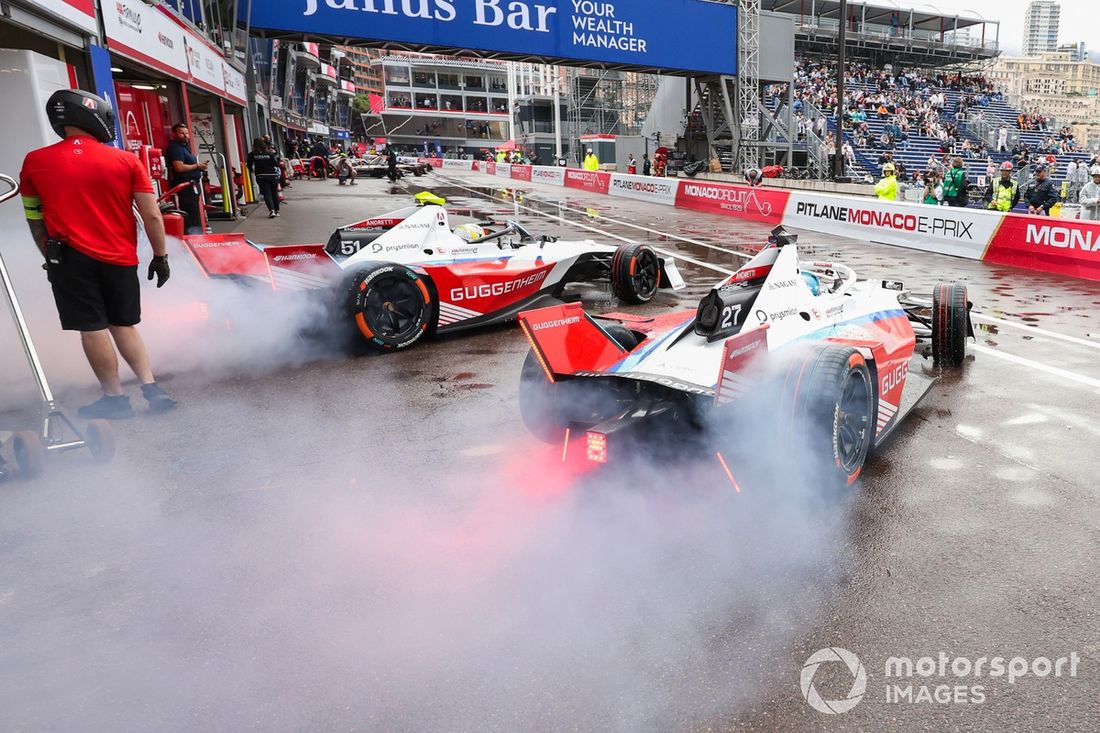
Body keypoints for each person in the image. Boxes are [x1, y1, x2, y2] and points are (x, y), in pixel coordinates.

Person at [19, 90, 176, 419]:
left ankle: (115, 399)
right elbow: (151, 215)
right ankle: (151, 388)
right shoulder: (126, 161)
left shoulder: (35, 161)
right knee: (124, 324)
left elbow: (34, 217)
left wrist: (48, 255)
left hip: (69, 258)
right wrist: (160, 256)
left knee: (92, 328)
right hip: (120, 257)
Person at [164, 123, 207, 234]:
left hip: (191, 185)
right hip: (185, 185)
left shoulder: (184, 148)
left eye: (187, 133)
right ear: (174, 134)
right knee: (190, 212)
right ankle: (192, 235)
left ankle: (196, 234)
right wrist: (197, 166)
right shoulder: (175, 148)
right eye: (181, 133)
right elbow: (179, 167)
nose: (185, 135)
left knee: (194, 212)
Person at [247, 137, 283, 217]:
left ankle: (271, 210)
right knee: (274, 193)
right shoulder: (269, 154)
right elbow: (276, 164)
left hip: (261, 176)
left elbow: (249, 164)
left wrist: (252, 170)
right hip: (272, 175)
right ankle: (277, 211)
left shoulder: (252, 154)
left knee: (267, 193)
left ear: (254, 145)